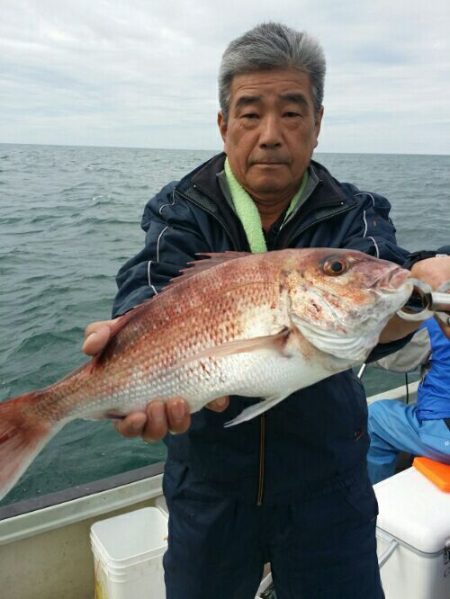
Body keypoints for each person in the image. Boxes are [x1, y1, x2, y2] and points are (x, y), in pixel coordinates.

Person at [82, 23, 450, 599]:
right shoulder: (182, 210)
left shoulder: (354, 215)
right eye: (250, 113)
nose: (271, 135)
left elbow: (385, 292)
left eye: (293, 113)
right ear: (224, 124)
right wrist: (125, 340)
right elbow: (145, 288)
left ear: (319, 124)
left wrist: (419, 294)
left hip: (329, 484)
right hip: (207, 485)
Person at [367, 314, 450, 485]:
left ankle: (379, 495)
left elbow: (391, 359)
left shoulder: (438, 324)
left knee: (375, 417)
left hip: (445, 433)